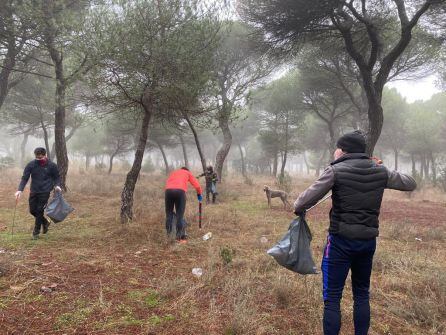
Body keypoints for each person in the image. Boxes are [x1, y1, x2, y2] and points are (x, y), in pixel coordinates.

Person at [293, 130, 416, 335]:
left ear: (343, 150)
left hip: (340, 242)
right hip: (367, 242)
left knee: (332, 297)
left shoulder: (335, 171)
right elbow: (410, 182)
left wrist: (298, 209)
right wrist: (380, 166)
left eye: (337, 148)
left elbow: (302, 202)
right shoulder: (380, 171)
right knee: (361, 295)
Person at [15, 147, 61, 239]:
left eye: (40, 158)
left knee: (39, 210)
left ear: (45, 155)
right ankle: (45, 222)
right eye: (37, 157)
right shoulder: (31, 165)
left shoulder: (52, 165)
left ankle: (35, 233)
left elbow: (56, 177)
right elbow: (25, 178)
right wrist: (20, 190)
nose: (38, 159)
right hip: (34, 191)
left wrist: (57, 185)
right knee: (32, 211)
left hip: (45, 191)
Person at [165, 167, 202, 243]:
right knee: (180, 215)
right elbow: (197, 186)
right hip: (180, 192)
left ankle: (168, 236)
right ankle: (180, 238)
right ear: (187, 170)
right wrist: (199, 194)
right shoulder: (187, 173)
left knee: (169, 214)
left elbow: (169, 182)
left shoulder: (174, 172)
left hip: (168, 191)